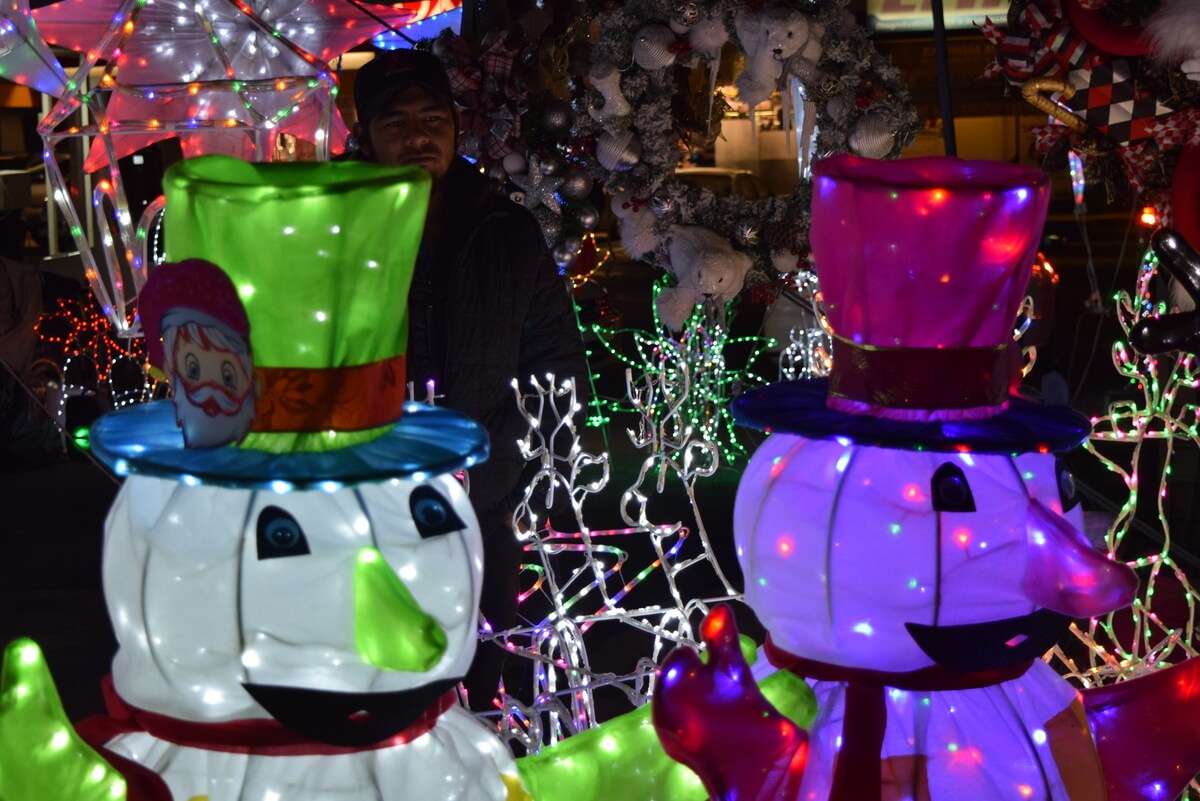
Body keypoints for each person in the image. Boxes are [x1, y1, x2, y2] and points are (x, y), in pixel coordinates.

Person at [353, 48, 590, 710]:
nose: (418, 134)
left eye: (433, 116)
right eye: (396, 121)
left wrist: (529, 469)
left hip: (485, 499)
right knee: (375, 672)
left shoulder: (504, 229)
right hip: (366, 495)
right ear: (364, 133)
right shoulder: (332, 234)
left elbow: (556, 360)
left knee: (481, 671)